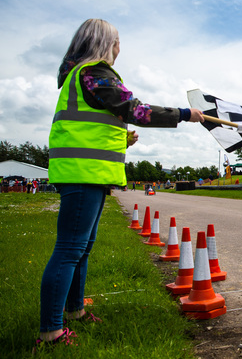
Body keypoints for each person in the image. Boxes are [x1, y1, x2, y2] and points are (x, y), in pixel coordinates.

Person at [37, 19, 204, 348]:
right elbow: (136, 109)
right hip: (83, 174)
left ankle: (74, 312)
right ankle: (50, 332)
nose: (118, 48)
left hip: (89, 172)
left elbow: (92, 124)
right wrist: (184, 114)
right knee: (70, 249)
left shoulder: (82, 76)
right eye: (116, 42)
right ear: (102, 43)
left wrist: (121, 140)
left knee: (81, 249)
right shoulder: (95, 73)